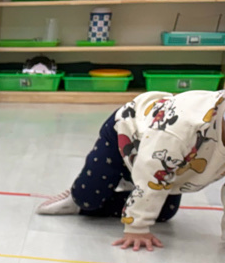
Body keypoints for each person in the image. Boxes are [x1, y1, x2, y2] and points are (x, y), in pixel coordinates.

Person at [36, 89, 225, 252]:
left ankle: (130, 184)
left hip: (166, 162)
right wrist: (137, 228)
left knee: (164, 212)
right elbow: (151, 172)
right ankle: (76, 198)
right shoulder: (182, 129)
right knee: (88, 199)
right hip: (126, 133)